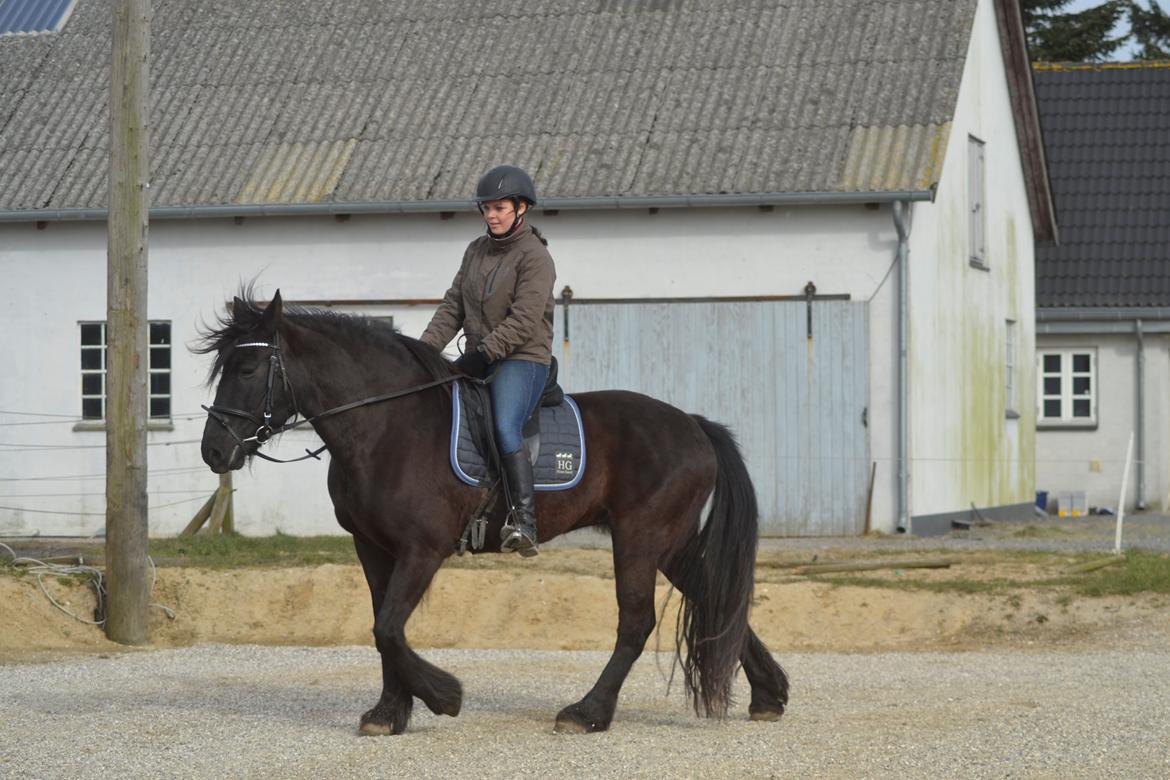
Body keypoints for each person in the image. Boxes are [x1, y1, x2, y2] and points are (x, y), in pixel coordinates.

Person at [420, 165, 555, 557]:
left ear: (520, 208)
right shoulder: (475, 251)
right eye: (487, 208)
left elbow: (524, 320)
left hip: (522, 359)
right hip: (480, 356)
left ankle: (524, 520)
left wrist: (483, 355)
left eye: (500, 208)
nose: (492, 215)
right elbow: (452, 307)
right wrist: (423, 353)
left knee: (503, 424)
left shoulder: (536, 258)